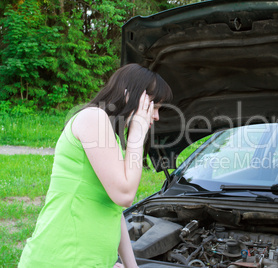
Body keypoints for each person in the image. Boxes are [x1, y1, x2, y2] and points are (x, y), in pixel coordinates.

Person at [18, 63, 173, 267]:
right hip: (61, 259)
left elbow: (114, 210)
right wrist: (137, 132)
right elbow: (125, 195)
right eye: (153, 106)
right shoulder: (94, 118)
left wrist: (129, 265)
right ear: (130, 95)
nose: (156, 116)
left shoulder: (110, 135)